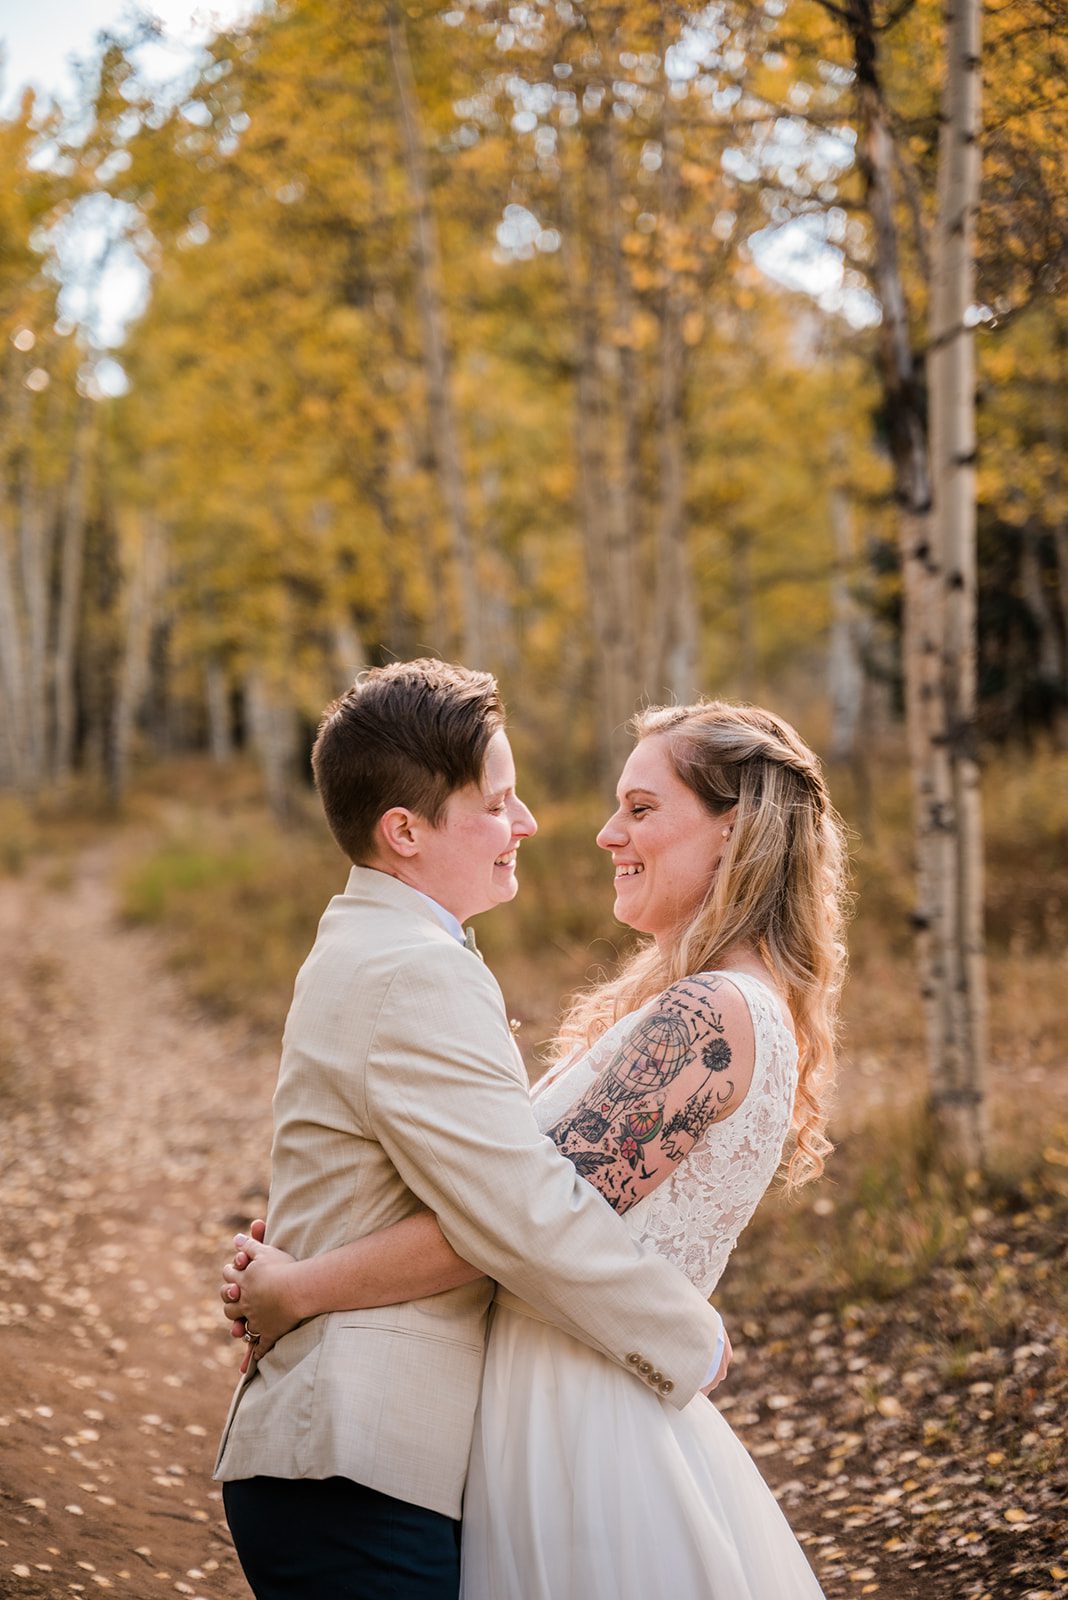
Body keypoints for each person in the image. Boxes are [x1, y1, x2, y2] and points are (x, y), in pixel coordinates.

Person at [223, 697, 849, 1600]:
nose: (602, 833)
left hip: (584, 1426)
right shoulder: (697, 1005)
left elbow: (520, 1218)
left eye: (640, 809)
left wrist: (299, 1286)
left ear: (736, 830)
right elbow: (501, 1200)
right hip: (535, 1413)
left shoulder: (712, 1016)